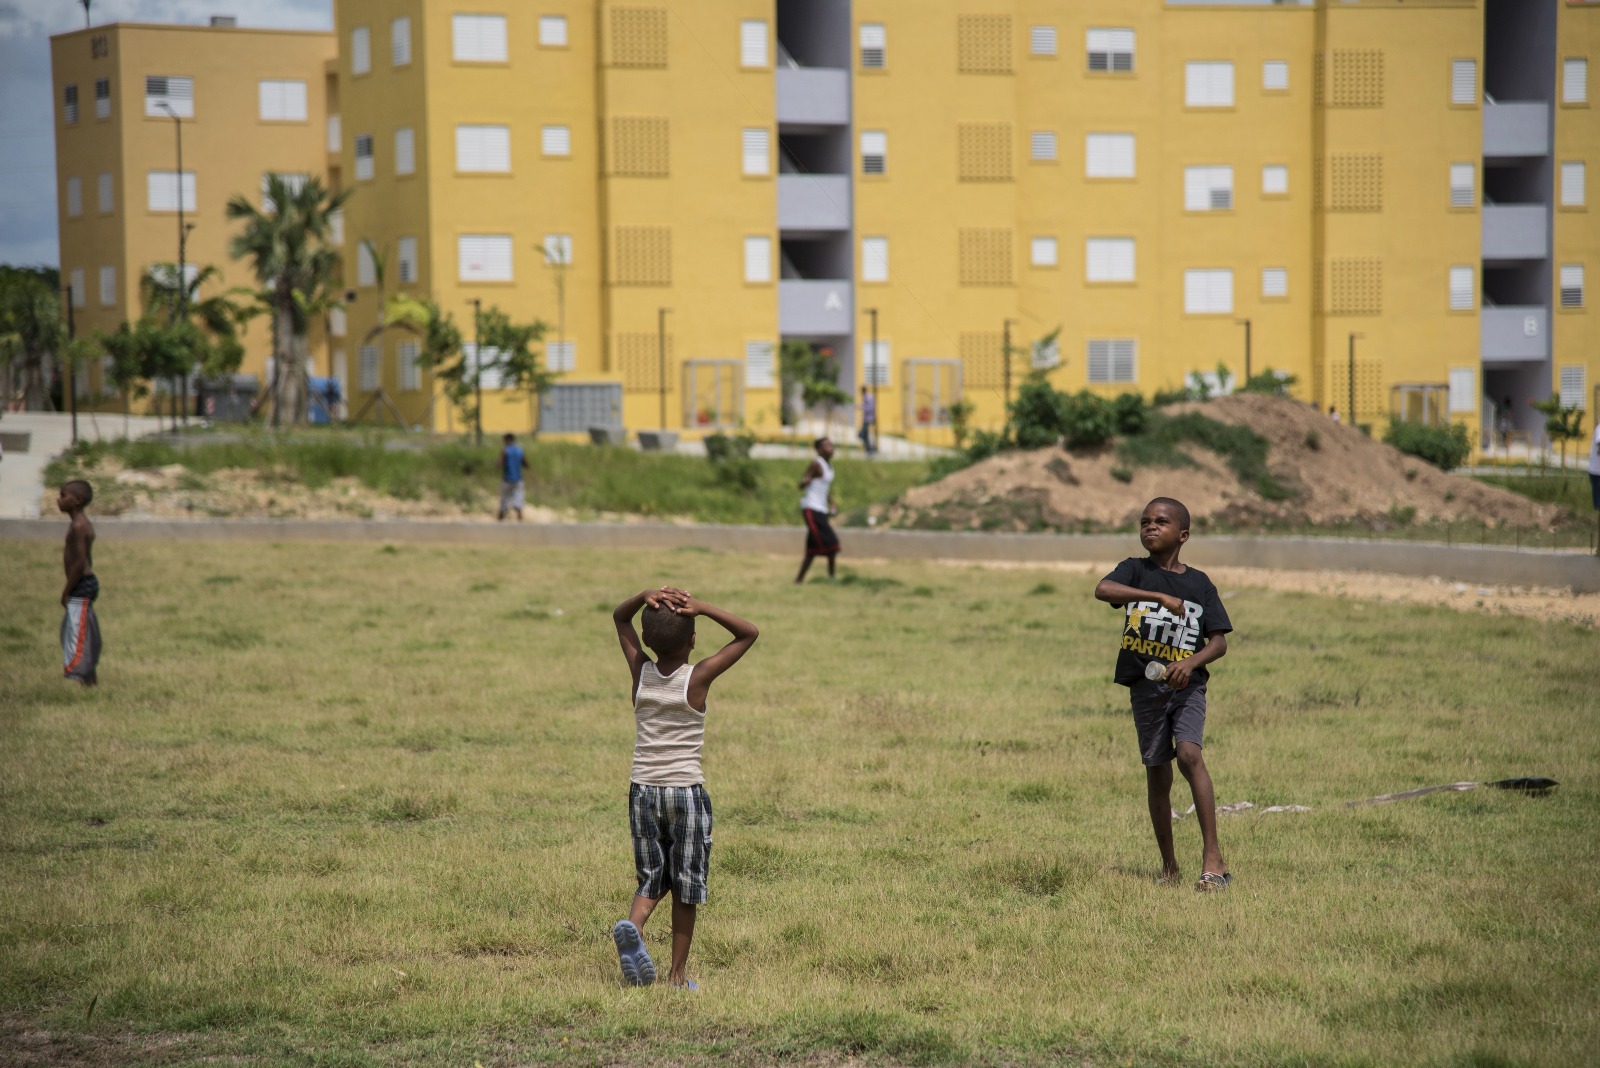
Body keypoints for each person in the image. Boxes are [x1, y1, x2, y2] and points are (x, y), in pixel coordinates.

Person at [610, 585, 759, 990]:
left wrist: (643, 596)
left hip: (642, 790)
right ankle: (677, 977)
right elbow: (749, 633)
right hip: (686, 794)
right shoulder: (697, 678)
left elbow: (619, 618)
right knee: (686, 886)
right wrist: (704, 607)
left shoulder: (640, 672)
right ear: (692, 640)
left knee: (653, 876)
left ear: (647, 639)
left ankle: (635, 926)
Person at [1094, 497, 1233, 892]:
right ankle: (1169, 865)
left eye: (1161, 522)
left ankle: (1213, 859)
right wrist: (1156, 598)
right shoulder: (1134, 571)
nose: (1150, 527)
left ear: (1183, 535)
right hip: (1146, 688)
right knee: (1158, 770)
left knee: (1189, 755)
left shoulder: (1199, 583)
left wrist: (1189, 664)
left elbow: (1219, 642)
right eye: (1144, 522)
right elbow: (1103, 589)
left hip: (1187, 687)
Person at [58, 479, 101, 687]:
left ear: (77, 500)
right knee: (76, 627)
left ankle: (80, 675)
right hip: (83, 583)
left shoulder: (78, 525)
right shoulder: (80, 523)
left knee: (78, 630)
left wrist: (67, 590)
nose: (59, 499)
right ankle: (88, 677)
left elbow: (80, 563)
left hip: (81, 584)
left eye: (63, 495)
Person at [795, 437, 839, 583]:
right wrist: (804, 482)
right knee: (832, 543)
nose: (831, 448)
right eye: (827, 446)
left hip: (821, 509)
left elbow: (824, 489)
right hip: (811, 508)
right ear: (819, 450)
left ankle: (799, 580)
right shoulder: (816, 464)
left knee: (812, 550)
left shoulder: (829, 466)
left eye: (831, 445)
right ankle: (831, 578)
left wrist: (831, 503)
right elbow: (802, 482)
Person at [497, 432, 529, 521]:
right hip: (518, 480)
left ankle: (499, 524)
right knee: (518, 504)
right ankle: (520, 524)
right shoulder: (519, 450)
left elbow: (499, 463)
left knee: (504, 503)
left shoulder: (505, 450)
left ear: (507, 440)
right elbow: (526, 464)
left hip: (507, 480)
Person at [858, 386, 877, 458]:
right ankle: (869, 448)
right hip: (866, 419)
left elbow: (870, 408)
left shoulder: (868, 397)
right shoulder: (866, 397)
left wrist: (862, 407)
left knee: (862, 434)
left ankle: (870, 449)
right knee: (865, 435)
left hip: (868, 419)